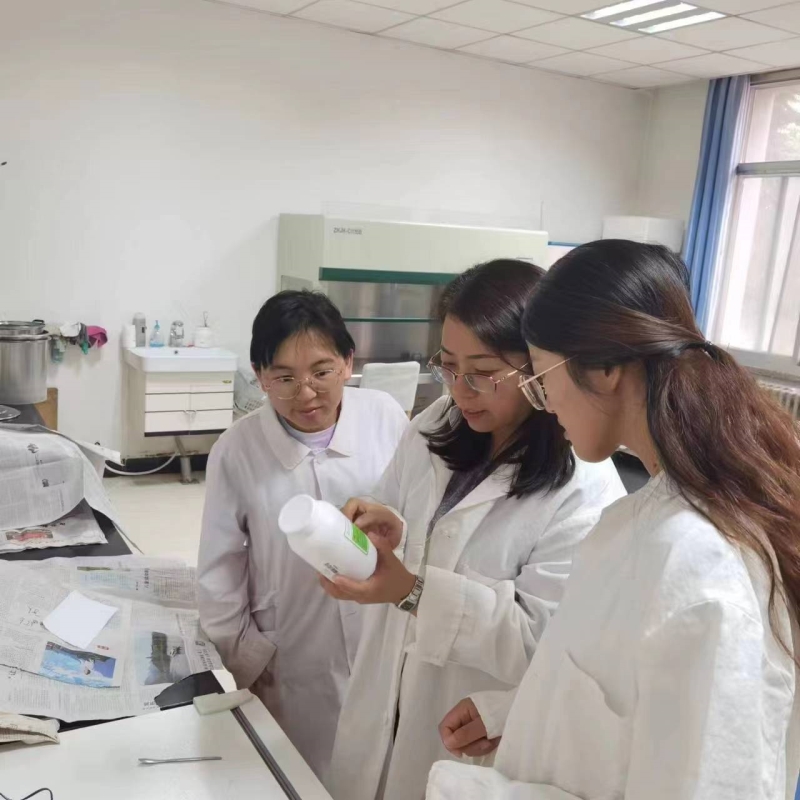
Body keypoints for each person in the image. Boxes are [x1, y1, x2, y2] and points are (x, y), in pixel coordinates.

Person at [428, 240, 800, 800]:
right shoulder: (642, 519)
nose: (545, 403)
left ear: (603, 370)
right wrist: (516, 713)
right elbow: (621, 696)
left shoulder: (702, 571)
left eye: (542, 378)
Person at [322, 260, 626, 800]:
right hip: (383, 692)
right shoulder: (437, 422)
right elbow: (400, 505)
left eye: (483, 372)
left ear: (538, 364)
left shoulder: (583, 485)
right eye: (448, 366)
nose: (461, 391)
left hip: (465, 723)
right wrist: (386, 522)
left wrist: (414, 592)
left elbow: (544, 640)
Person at [197, 290, 409, 778]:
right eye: (284, 378)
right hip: (292, 650)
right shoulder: (236, 449)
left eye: (321, 371)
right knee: (303, 771)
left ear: (348, 362)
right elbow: (218, 570)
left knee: (383, 764)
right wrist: (251, 658)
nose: (307, 393)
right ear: (260, 377)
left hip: (382, 634)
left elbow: (415, 509)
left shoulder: (385, 416)